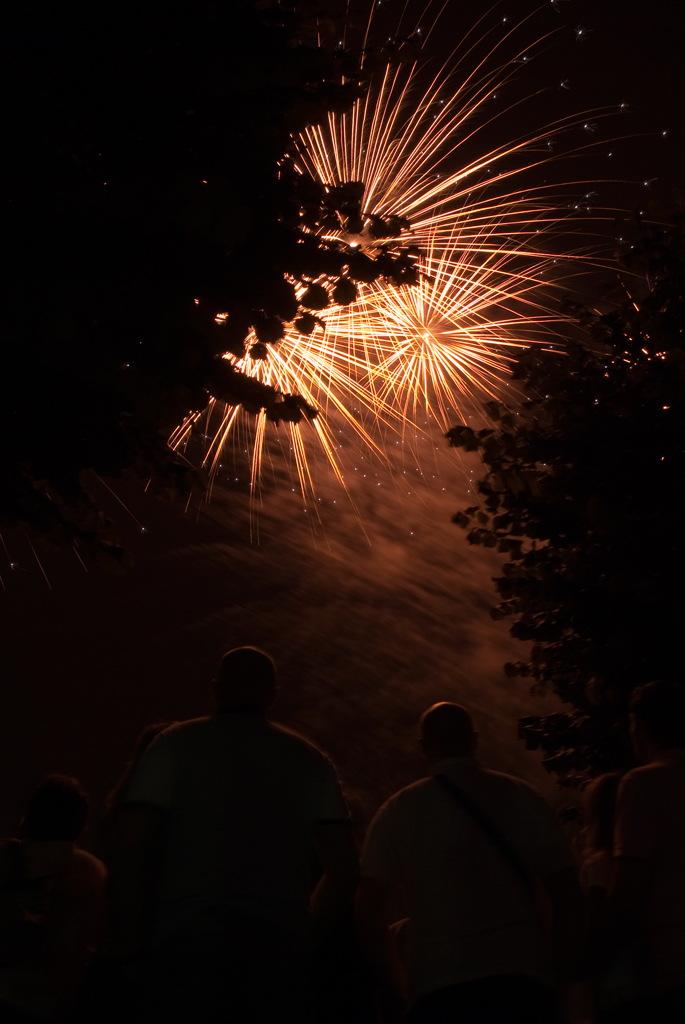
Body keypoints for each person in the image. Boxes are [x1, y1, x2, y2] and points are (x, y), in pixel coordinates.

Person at [104, 646, 358, 1023]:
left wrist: (130, 947)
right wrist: (303, 934)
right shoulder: (310, 760)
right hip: (276, 950)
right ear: (272, 696)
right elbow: (344, 868)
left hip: (186, 944)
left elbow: (131, 848)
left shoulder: (172, 746)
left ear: (215, 689)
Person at [355, 702, 582, 1023]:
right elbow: (568, 898)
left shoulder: (398, 811)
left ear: (424, 746)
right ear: (474, 739)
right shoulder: (522, 796)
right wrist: (559, 976)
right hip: (523, 982)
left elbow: (367, 915)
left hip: (440, 986)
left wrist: (399, 986)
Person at [604, 679, 685, 1020]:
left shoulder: (643, 783)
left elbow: (631, 885)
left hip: (672, 964)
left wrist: (596, 950)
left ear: (641, 727)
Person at [0, 776, 107, 1022]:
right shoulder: (86, 871)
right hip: (44, 1004)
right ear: (80, 826)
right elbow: (71, 952)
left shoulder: (7, 858)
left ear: (28, 817)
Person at [579, 773, 642, 1022]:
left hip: (611, 983)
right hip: (642, 976)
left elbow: (591, 923)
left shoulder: (597, 866)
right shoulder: (637, 864)